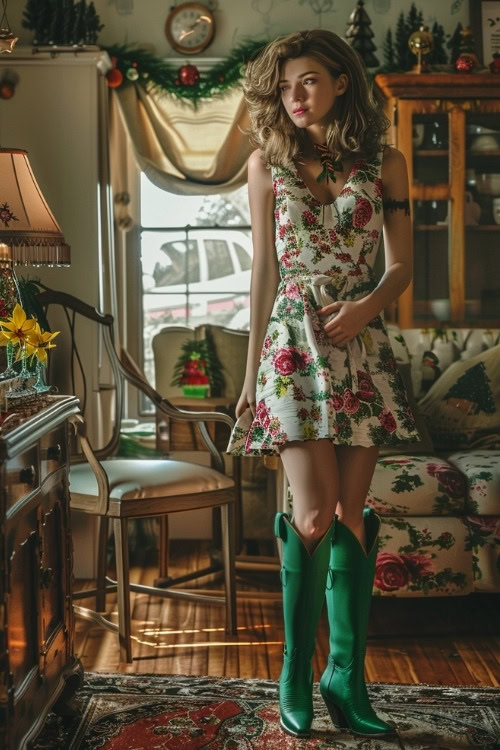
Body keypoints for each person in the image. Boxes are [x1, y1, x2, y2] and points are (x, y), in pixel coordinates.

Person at [226, 29, 422, 739]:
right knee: (310, 518)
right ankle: (294, 673)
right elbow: (262, 276)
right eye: (284, 87)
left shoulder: (387, 163)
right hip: (290, 352)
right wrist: (249, 379)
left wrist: (367, 305)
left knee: (348, 519)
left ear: (341, 81)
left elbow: (401, 267)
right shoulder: (264, 167)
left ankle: (346, 675)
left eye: (307, 81)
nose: (294, 97)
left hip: (360, 346)